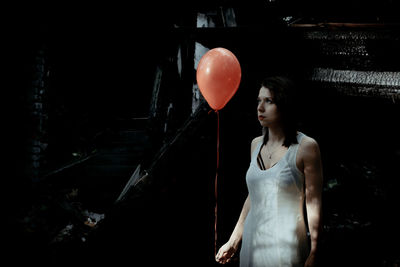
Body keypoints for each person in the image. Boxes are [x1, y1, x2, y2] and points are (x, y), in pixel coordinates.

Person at [215, 76, 323, 267]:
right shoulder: (255, 144)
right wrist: (234, 239)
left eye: (269, 101)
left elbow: (313, 201)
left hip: (286, 246)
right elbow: (254, 195)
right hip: (252, 242)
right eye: (259, 101)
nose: (260, 108)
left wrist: (315, 250)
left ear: (284, 105)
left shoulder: (306, 147)